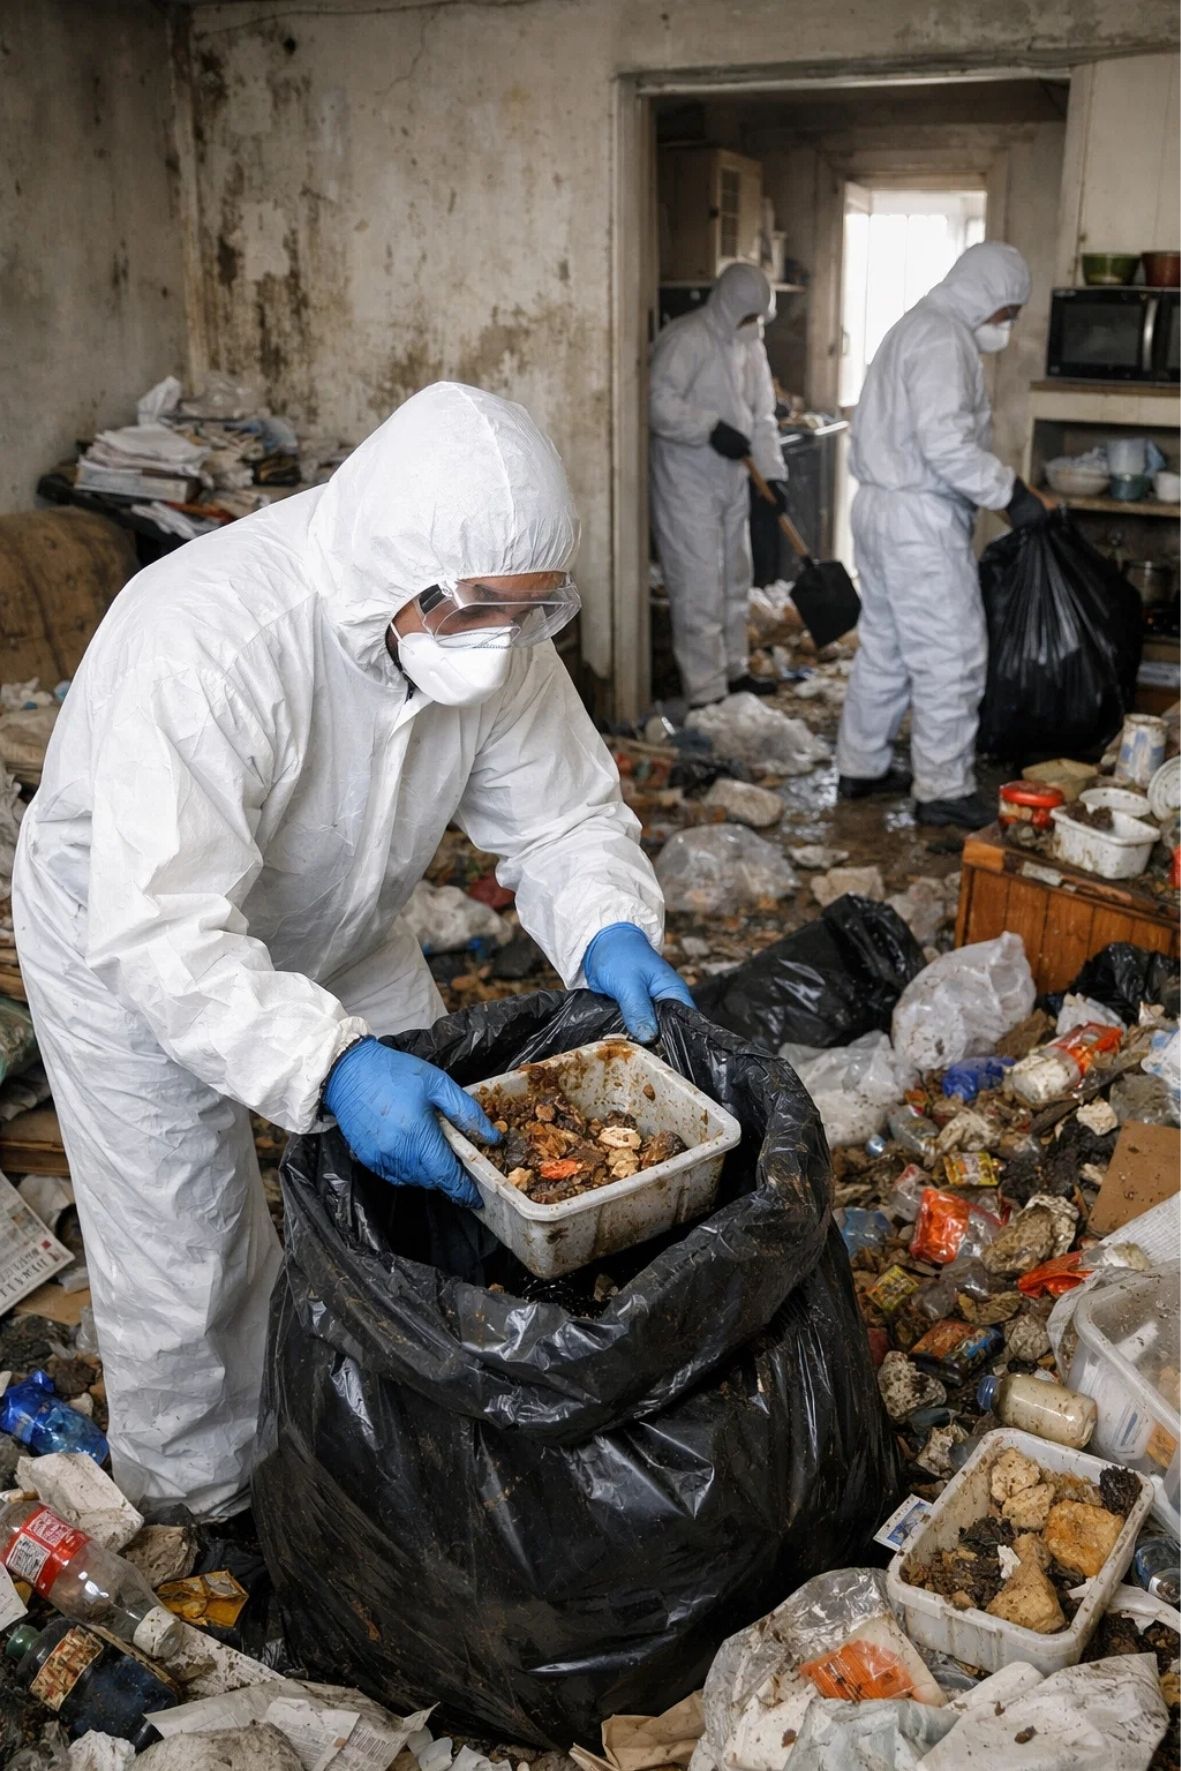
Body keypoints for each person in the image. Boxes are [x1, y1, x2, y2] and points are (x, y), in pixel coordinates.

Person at [13, 382, 693, 1520]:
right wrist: (326, 1064)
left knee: (453, 1166)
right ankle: (209, 1512)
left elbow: (561, 818)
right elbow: (162, 923)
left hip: (335, 918)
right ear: (398, 574)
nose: (505, 640)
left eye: (531, 608)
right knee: (190, 1254)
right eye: (481, 611)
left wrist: (608, 924)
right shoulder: (208, 640)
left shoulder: (492, 619)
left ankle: (401, 1419)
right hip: (130, 935)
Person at [835, 241, 1054, 829]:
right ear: (987, 295)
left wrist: (1003, 495)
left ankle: (861, 765)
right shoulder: (942, 339)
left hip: (880, 508)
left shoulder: (918, 325)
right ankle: (943, 789)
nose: (1007, 324)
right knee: (950, 654)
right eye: (1008, 312)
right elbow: (947, 446)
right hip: (917, 521)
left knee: (886, 646)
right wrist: (1014, 495)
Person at [649, 261, 787, 709]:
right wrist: (709, 426)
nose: (755, 325)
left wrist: (773, 474)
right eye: (749, 316)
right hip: (687, 481)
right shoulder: (687, 338)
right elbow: (656, 403)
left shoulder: (750, 345)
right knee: (699, 585)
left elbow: (762, 415)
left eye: (759, 317)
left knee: (735, 579)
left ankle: (734, 671)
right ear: (729, 305)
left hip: (733, 479)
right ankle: (706, 691)